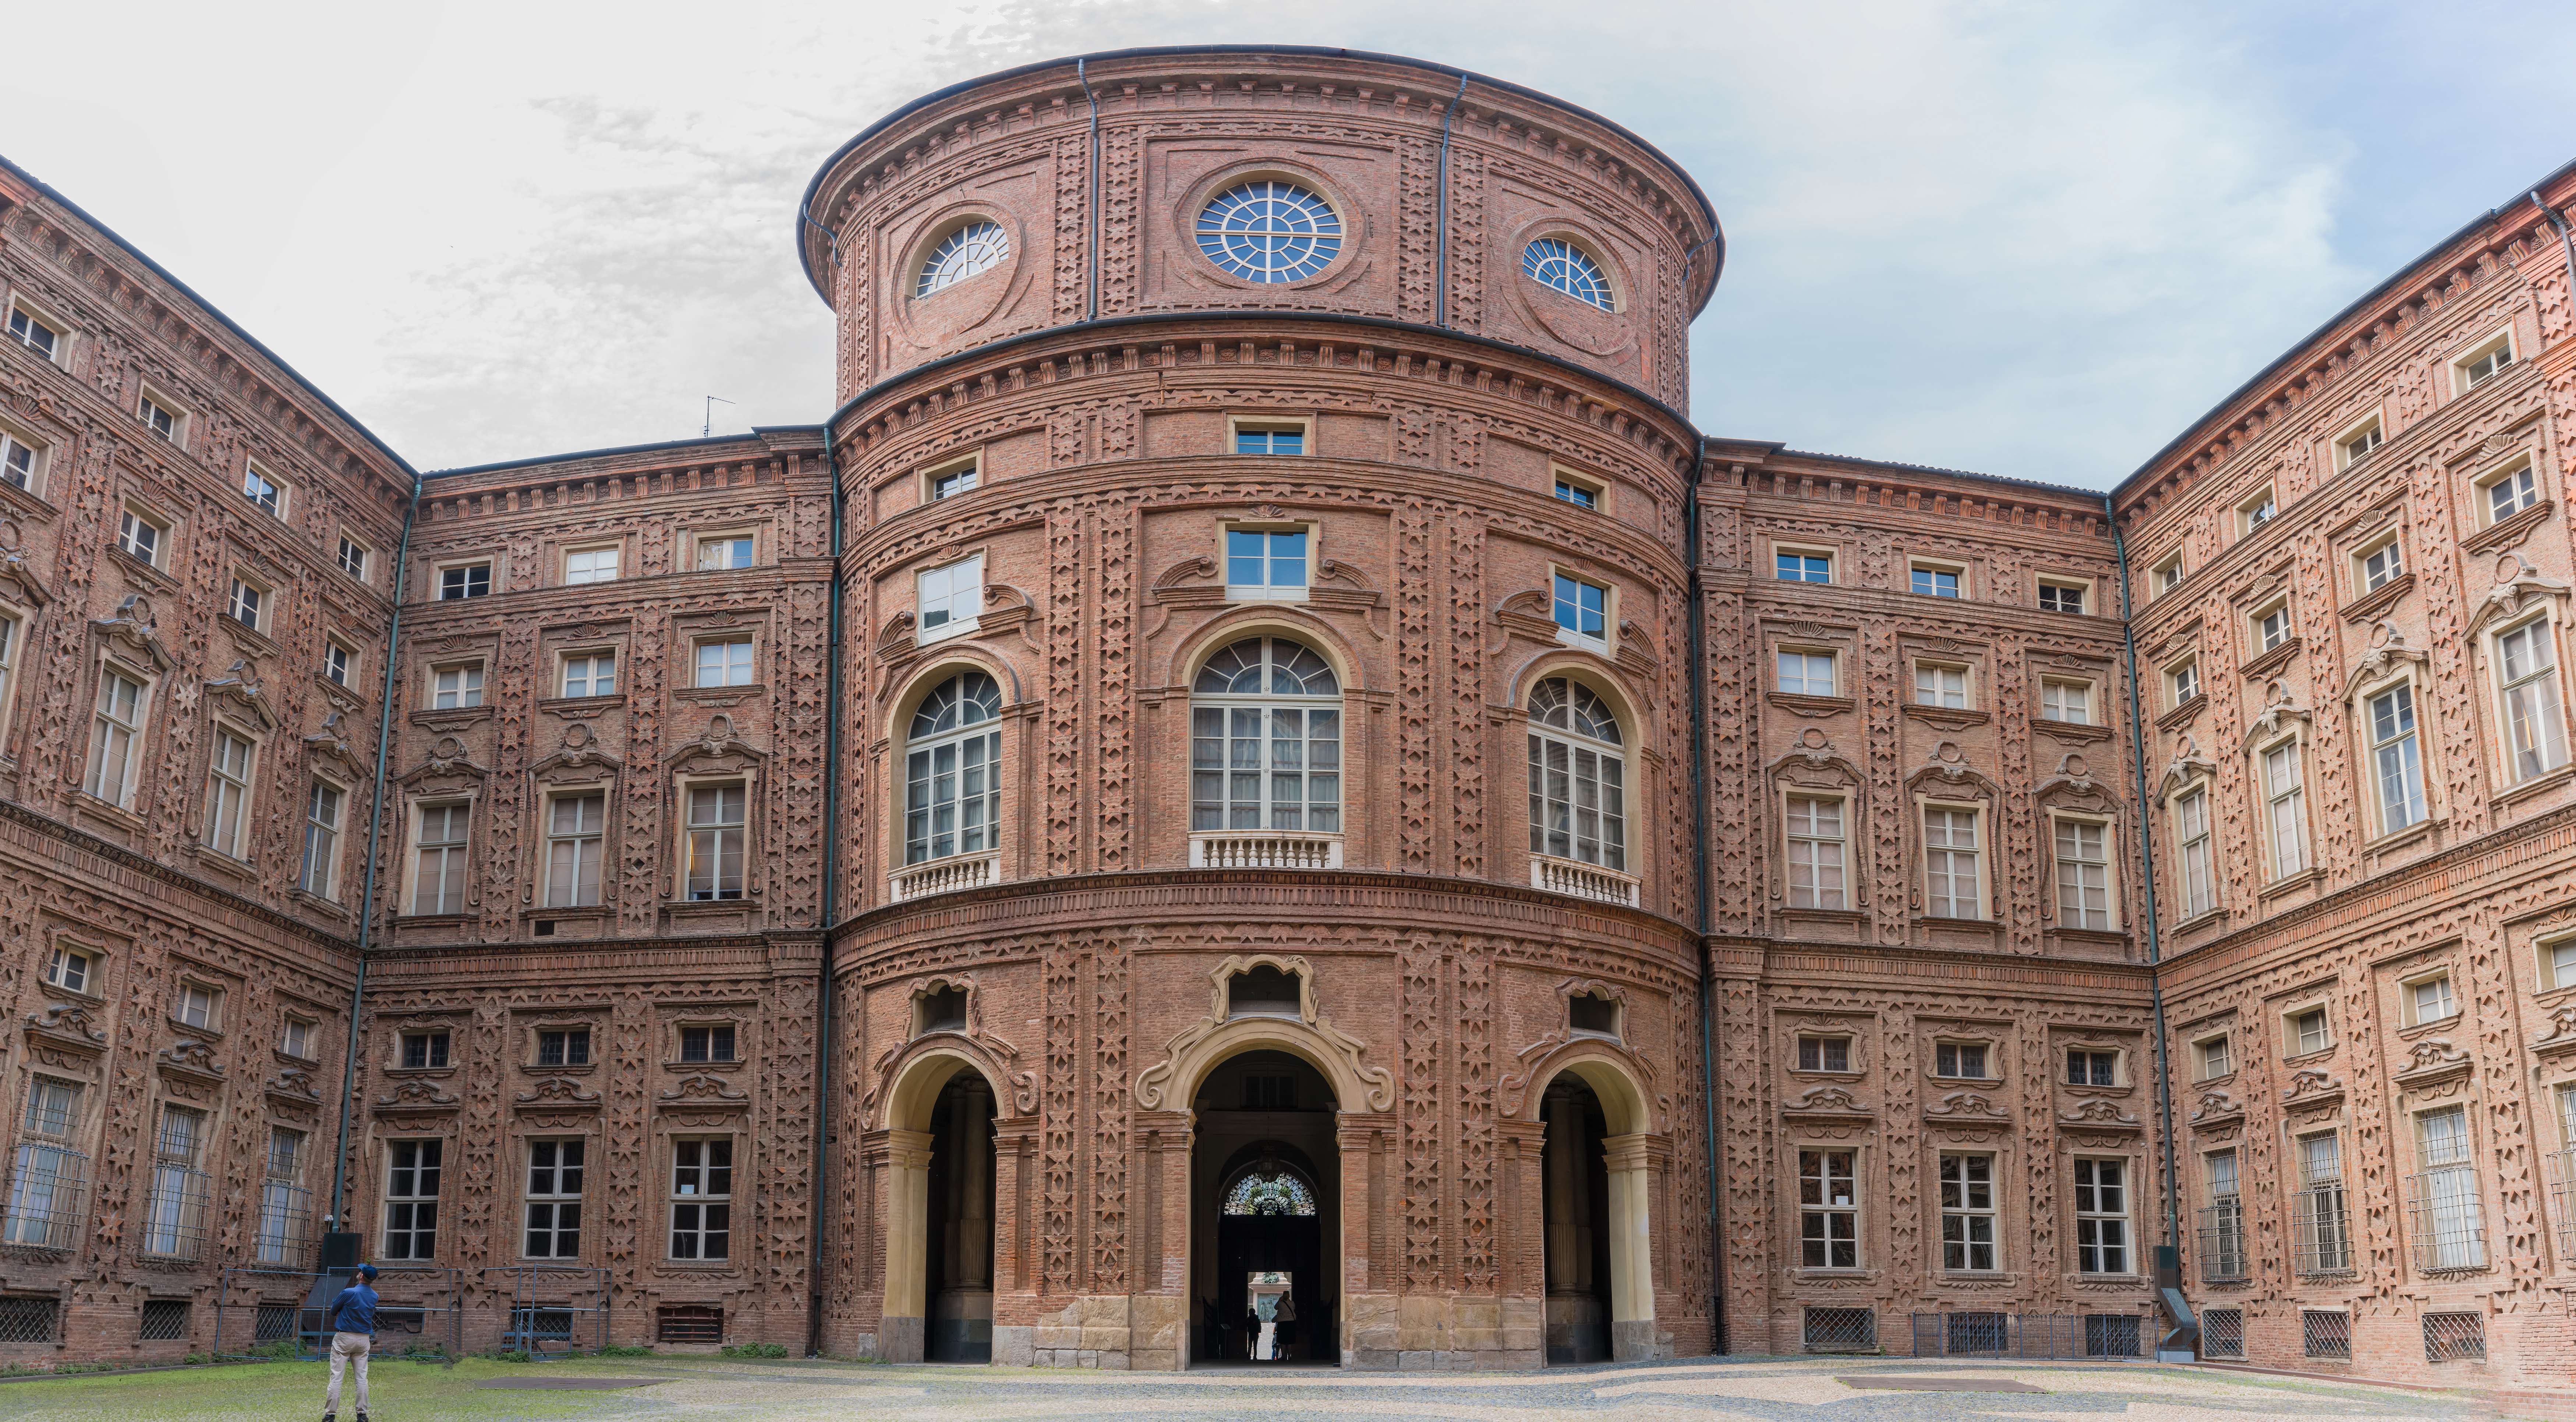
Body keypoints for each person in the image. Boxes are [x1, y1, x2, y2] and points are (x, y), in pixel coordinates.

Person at [322, 1263, 378, 1422]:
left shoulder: (348, 1293)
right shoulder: (375, 1296)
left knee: (337, 1376)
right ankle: (362, 1415)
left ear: (361, 1276)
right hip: (363, 1339)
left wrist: (342, 1311)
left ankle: (330, 1415)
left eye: (360, 1272)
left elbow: (333, 1311)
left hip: (344, 1337)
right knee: (361, 1378)